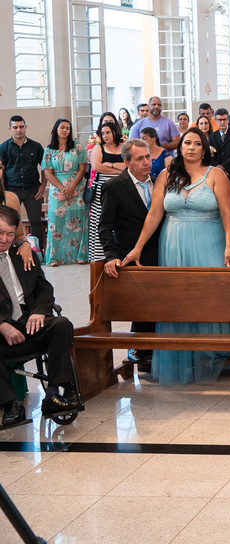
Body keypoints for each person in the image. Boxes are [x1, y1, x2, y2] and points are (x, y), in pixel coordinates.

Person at [122, 127, 230, 386]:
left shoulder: (216, 175)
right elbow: (154, 214)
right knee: (176, 298)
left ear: (204, 148)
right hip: (173, 242)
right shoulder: (166, 175)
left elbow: (227, 213)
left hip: (209, 240)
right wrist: (138, 246)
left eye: (197, 144)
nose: (191, 148)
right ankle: (182, 357)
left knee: (208, 296)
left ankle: (211, 354)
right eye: (187, 143)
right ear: (180, 146)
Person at [0, 205, 82, 429]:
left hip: (29, 323)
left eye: (9, 234)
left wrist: (39, 311)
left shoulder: (23, 254)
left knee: (61, 324)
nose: (4, 239)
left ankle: (54, 394)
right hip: (2, 334)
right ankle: (11, 405)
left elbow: (45, 289)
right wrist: (1, 325)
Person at [98, 138, 161, 370]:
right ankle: (139, 347)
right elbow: (105, 225)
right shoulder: (114, 186)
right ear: (127, 162)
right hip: (131, 253)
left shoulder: (159, 183)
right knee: (142, 303)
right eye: (140, 159)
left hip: (161, 252)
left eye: (148, 157)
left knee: (162, 301)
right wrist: (111, 255)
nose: (146, 163)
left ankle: (158, 351)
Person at [41, 119, 88, 266]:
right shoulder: (49, 150)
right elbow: (48, 173)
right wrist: (62, 188)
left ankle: (81, 255)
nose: (65, 130)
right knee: (56, 222)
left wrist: (72, 186)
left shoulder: (77, 146)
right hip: (57, 189)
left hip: (76, 188)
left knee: (78, 220)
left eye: (68, 128)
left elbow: (82, 168)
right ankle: (55, 257)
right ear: (56, 129)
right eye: (62, 127)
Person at [1, 117, 47, 250]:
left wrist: (43, 186)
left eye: (21, 127)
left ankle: (38, 251)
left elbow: (45, 167)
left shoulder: (36, 146)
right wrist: (4, 192)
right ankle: (13, 250)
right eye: (15, 127)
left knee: (36, 222)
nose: (18, 130)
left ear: (26, 127)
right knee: (10, 222)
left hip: (33, 190)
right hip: (11, 191)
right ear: (10, 129)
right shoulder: (3, 147)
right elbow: (1, 171)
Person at [87, 120, 126, 262]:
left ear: (115, 132)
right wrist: (118, 168)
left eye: (108, 132)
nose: (105, 136)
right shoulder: (99, 148)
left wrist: (110, 163)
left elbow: (128, 166)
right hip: (102, 190)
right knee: (102, 220)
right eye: (103, 133)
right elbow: (96, 166)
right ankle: (99, 256)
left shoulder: (124, 147)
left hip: (121, 187)